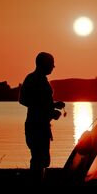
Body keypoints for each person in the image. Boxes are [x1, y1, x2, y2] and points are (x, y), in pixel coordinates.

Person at [19, 52, 65, 185]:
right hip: (36, 126)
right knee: (38, 159)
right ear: (43, 64)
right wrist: (50, 112)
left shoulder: (40, 79)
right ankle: (36, 185)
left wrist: (53, 106)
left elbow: (39, 102)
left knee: (42, 159)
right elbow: (25, 100)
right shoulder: (33, 79)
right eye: (51, 63)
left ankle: (38, 183)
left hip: (41, 126)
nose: (53, 66)